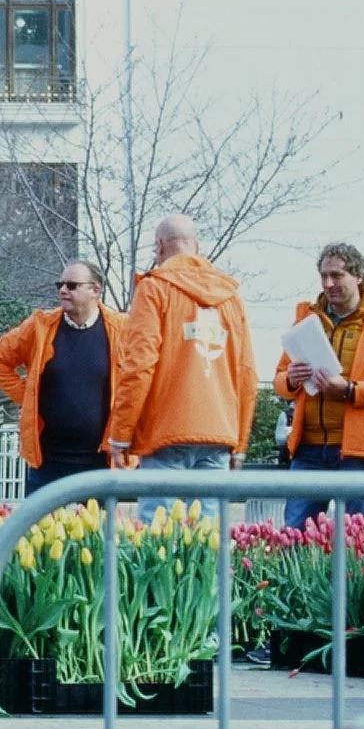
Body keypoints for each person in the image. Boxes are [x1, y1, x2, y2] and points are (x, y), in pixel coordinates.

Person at [108, 214, 256, 520]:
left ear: (160, 246)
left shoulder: (154, 289)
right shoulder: (231, 298)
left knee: (158, 537)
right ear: (197, 246)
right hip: (218, 432)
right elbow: (246, 373)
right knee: (207, 537)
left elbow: (139, 366)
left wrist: (120, 434)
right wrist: (239, 443)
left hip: (165, 431)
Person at [274, 242, 364, 529]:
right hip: (308, 449)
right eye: (324, 276)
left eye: (337, 276)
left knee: (356, 543)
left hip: (359, 452)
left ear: (359, 276)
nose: (328, 284)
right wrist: (292, 379)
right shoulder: (308, 319)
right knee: (293, 537)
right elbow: (280, 380)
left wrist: (350, 391)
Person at [0, 260, 130, 496]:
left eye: (72, 285)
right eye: (59, 285)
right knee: (41, 532)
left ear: (96, 290)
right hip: (48, 462)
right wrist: (29, 396)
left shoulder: (123, 329)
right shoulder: (40, 326)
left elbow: (144, 376)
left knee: (100, 533)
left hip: (102, 462)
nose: (63, 290)